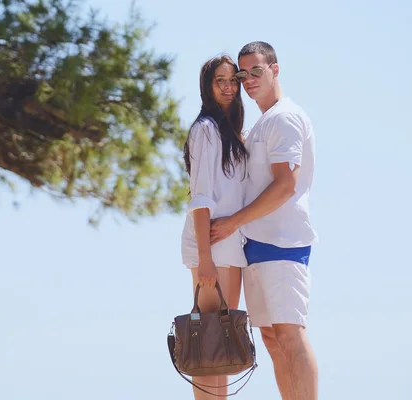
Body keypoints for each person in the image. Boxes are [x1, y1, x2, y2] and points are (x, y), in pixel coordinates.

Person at [210, 41, 319, 400]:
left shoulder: (285, 117)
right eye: (243, 74)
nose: (248, 80)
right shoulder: (262, 124)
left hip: (284, 243)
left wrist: (231, 222)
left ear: (275, 69)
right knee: (272, 338)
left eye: (256, 71)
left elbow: (285, 185)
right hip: (256, 246)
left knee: (290, 333)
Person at [180, 54, 249, 399]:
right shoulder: (205, 130)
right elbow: (201, 197)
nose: (227, 87)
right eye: (219, 80)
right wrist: (204, 258)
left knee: (223, 344)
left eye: (232, 80)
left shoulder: (229, 132)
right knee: (208, 346)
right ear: (207, 87)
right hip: (210, 246)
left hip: (230, 245)